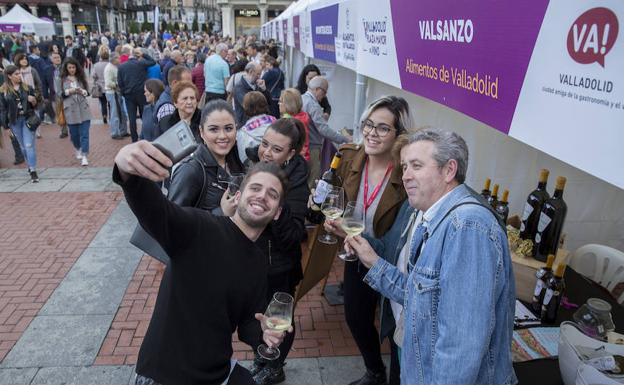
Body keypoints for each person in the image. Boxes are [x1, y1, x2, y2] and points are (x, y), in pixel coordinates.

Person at [345, 128, 516, 385]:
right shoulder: (434, 218)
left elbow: (460, 346)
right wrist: (373, 261)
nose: (405, 176)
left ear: (449, 170)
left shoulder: (467, 226)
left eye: (416, 165)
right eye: (404, 167)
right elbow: (420, 298)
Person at [113, 144, 291, 385]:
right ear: (238, 196)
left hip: (215, 372)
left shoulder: (259, 260)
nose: (262, 196)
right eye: (256, 188)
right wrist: (126, 170)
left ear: (277, 212)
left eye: (272, 194)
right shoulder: (200, 227)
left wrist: (264, 335)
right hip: (165, 375)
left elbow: (248, 320)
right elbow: (156, 211)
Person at [316, 96, 411, 385]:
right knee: (356, 317)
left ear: (399, 136)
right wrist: (320, 203)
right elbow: (327, 194)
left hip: (391, 260)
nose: (371, 133)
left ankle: (396, 377)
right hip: (355, 252)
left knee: (395, 326)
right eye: (369, 124)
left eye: (383, 128)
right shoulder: (349, 157)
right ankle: (374, 370)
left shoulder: (407, 172)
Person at [242, 118, 310, 385]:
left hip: (280, 268)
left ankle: (276, 366)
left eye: (276, 149)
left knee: (280, 320)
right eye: (264, 144)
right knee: (255, 316)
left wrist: (275, 209)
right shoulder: (253, 166)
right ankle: (262, 358)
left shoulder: (296, 183)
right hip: (252, 262)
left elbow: (294, 237)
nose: (266, 153)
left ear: (291, 153)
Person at [167, 99, 244, 212]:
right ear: (202, 132)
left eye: (228, 128)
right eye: (214, 129)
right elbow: (173, 221)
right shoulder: (189, 170)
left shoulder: (237, 161)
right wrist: (221, 212)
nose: (222, 136)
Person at [301, 76, 351, 186]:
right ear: (318, 89)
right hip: (312, 147)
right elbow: (323, 129)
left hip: (303, 145)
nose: (324, 96)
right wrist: (345, 139)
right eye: (324, 92)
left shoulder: (301, 99)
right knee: (312, 180)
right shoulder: (313, 105)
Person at [0, 65, 41, 182]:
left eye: (20, 73)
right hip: (14, 122)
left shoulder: (27, 88)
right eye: (16, 74)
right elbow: (2, 109)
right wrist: (6, 127)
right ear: (9, 76)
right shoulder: (3, 91)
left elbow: (36, 104)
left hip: (28, 119)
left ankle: (33, 170)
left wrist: (33, 100)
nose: (19, 76)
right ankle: (29, 165)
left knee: (29, 145)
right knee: (23, 147)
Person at [117, 48, 156, 142]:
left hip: (129, 95)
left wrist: (124, 92)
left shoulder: (121, 67)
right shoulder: (141, 63)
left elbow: (120, 82)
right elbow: (153, 62)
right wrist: (143, 54)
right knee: (145, 115)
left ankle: (134, 139)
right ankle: (146, 135)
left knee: (132, 118)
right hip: (141, 93)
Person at [61, 57, 92, 166]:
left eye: (73, 67)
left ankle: (84, 155)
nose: (72, 69)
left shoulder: (81, 78)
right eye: (69, 67)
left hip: (83, 108)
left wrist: (82, 91)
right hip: (70, 110)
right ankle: (77, 147)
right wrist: (70, 91)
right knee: (74, 134)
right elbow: (60, 94)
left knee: (84, 134)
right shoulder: (62, 79)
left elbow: (88, 92)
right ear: (66, 68)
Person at [237, 91, 276, 165]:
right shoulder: (276, 123)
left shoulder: (243, 132)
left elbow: (244, 159)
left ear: (245, 107)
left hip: (255, 169)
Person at [233, 62, 271, 127]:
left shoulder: (258, 85)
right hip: (245, 125)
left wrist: (264, 90)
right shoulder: (239, 87)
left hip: (258, 123)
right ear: (250, 72)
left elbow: (269, 102)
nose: (260, 77)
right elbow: (248, 105)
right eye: (258, 74)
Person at [279, 88, 310, 161]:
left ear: (288, 105)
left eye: (280, 101)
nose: (278, 104)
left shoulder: (290, 122)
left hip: (293, 161)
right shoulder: (302, 116)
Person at [104, 53, 129, 139]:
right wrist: (118, 84)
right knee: (115, 113)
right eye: (118, 58)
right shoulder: (109, 68)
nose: (120, 59)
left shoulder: (115, 66)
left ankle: (123, 130)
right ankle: (115, 132)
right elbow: (108, 83)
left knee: (121, 112)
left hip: (117, 92)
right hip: (112, 93)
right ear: (114, 59)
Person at [49, 51, 68, 138]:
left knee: (68, 111)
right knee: (59, 113)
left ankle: (71, 129)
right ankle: (63, 130)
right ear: (51, 59)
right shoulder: (48, 69)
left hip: (65, 93)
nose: (57, 59)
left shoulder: (65, 68)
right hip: (55, 95)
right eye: (55, 58)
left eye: (58, 57)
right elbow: (44, 82)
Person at [92, 46, 110, 124]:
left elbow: (94, 75)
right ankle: (111, 115)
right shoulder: (110, 64)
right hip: (109, 86)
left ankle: (104, 115)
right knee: (110, 103)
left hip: (100, 87)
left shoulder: (96, 65)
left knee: (103, 103)